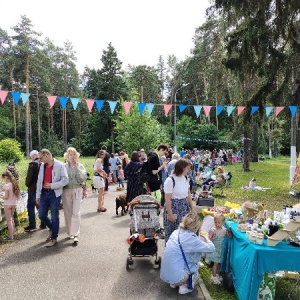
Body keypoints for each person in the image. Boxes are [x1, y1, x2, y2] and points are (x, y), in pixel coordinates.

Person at [160, 212, 215, 295]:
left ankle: (174, 283)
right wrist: (207, 238)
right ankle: (184, 286)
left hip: (165, 274)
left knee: (181, 258)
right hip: (178, 276)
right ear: (196, 227)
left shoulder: (176, 232)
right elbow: (211, 248)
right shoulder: (192, 239)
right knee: (194, 269)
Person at [36, 149, 69, 247]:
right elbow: (39, 181)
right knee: (41, 214)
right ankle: (52, 228)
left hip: (54, 194)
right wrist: (38, 195)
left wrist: (52, 185)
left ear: (46, 155)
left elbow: (65, 180)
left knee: (54, 215)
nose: (40, 160)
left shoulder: (60, 165)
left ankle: (54, 237)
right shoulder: (42, 166)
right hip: (43, 194)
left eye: (41, 158)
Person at [163, 158, 195, 242]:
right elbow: (167, 199)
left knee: (184, 233)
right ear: (182, 168)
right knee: (173, 233)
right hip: (174, 208)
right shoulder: (170, 180)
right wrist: (170, 215)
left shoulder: (185, 178)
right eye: (187, 168)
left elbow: (188, 194)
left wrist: (192, 208)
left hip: (184, 207)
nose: (188, 170)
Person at [62, 147, 87, 244]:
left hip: (77, 190)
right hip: (66, 191)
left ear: (76, 156)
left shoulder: (80, 166)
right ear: (67, 157)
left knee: (76, 212)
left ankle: (76, 234)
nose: (72, 157)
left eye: (74, 155)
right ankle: (69, 232)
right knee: (68, 212)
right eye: (70, 155)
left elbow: (82, 179)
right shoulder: (63, 167)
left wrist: (77, 168)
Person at [205, 213, 230, 284]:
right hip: (215, 249)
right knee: (215, 264)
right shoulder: (213, 230)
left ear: (223, 223)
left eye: (219, 222)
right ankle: (213, 277)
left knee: (219, 263)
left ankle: (217, 275)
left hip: (220, 250)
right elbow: (209, 239)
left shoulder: (224, 230)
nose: (217, 224)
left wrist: (229, 231)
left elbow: (230, 236)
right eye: (215, 222)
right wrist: (212, 238)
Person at [24, 150, 46, 232]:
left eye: (31, 157)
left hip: (33, 189)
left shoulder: (32, 165)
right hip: (42, 188)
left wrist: (27, 184)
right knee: (40, 206)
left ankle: (32, 224)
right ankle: (43, 223)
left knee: (30, 206)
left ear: (33, 156)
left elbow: (29, 179)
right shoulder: (43, 164)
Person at [1, 170, 20, 240]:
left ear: (6, 177)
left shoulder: (7, 185)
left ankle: (11, 236)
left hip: (7, 204)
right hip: (13, 204)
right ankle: (13, 231)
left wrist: (0, 196)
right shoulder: (14, 183)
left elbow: (6, 197)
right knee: (11, 219)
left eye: (3, 178)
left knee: (9, 220)